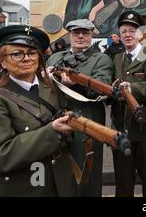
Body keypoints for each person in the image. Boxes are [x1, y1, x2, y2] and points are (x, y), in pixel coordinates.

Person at [0, 25, 75, 196]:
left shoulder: (51, 88)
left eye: (32, 53)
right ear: (2, 60)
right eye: (17, 54)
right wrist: (52, 132)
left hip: (59, 183)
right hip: (22, 187)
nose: (27, 59)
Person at [46, 19, 112, 197]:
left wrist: (75, 83)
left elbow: (102, 88)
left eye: (85, 32)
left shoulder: (101, 59)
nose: (80, 36)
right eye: (76, 33)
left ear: (92, 35)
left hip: (87, 123)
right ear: (70, 35)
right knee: (60, 172)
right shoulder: (55, 58)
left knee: (86, 175)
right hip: (57, 122)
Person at [111, 10, 146, 197]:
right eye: (124, 31)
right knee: (123, 183)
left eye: (132, 31)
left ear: (140, 34)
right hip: (121, 129)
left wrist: (131, 88)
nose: (128, 35)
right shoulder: (117, 58)